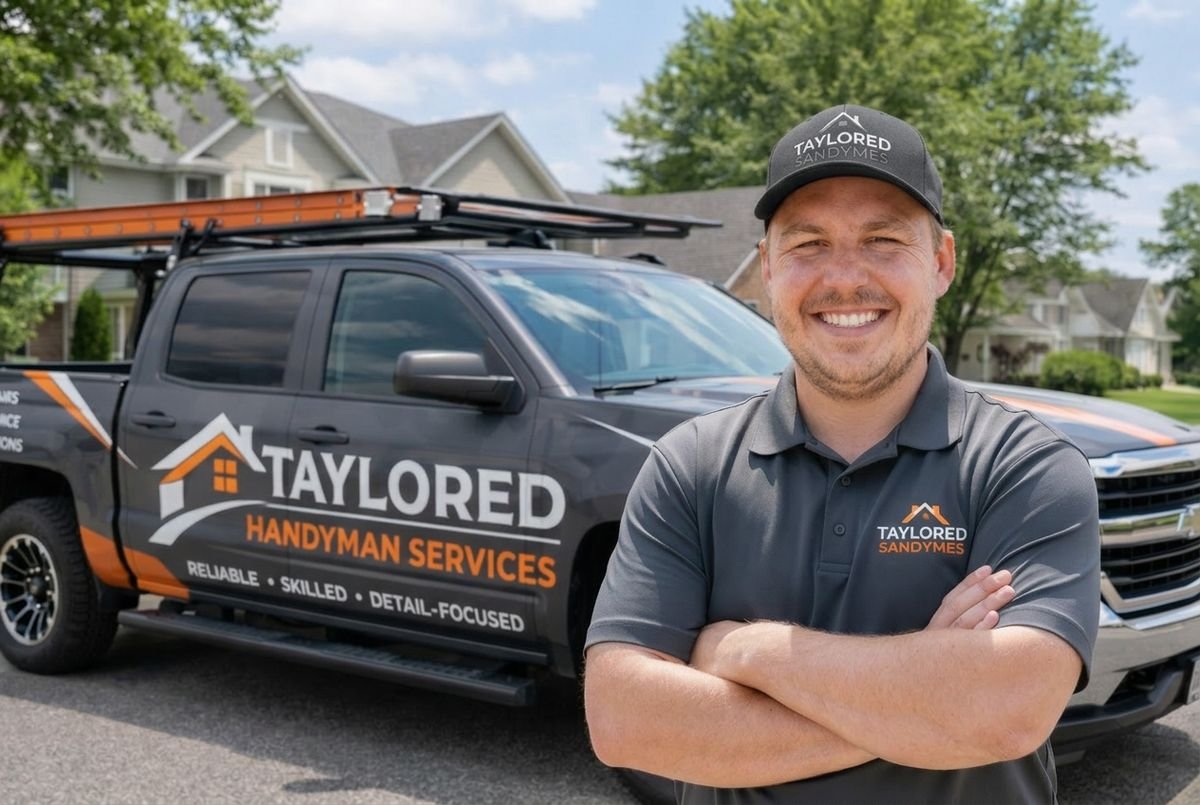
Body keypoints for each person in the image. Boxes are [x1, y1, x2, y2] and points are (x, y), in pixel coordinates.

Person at [583, 104, 1100, 803]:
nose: (845, 278)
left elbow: (1008, 710)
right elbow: (626, 721)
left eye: (884, 239)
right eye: (808, 244)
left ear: (941, 262)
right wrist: (931, 696)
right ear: (767, 268)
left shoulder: (1025, 466)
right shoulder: (690, 466)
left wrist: (748, 651)